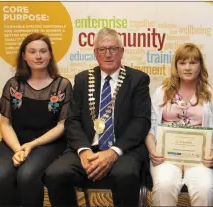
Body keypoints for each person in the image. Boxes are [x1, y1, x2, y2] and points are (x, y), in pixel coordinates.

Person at [44, 27, 151, 206]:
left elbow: (141, 121)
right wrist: (84, 151)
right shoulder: (83, 79)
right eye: (102, 49)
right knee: (55, 174)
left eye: (113, 49)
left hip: (123, 149)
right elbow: (72, 120)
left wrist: (113, 152)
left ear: (122, 52)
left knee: (125, 174)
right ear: (95, 53)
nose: (108, 54)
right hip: (88, 148)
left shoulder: (138, 79)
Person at [0, 33, 72, 207]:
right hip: (15, 141)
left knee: (27, 175)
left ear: (50, 55)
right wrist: (17, 148)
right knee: (0, 176)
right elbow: (5, 123)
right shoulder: (14, 85)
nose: (38, 56)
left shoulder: (62, 85)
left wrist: (32, 145)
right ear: (24, 56)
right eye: (32, 51)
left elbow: (63, 125)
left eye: (43, 51)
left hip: (49, 143)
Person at [146, 43, 213, 206]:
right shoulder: (162, 92)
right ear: (176, 66)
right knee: (164, 186)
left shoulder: (212, 93)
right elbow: (150, 127)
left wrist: (212, 152)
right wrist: (153, 151)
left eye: (193, 62)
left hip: (199, 156)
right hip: (165, 156)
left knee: (205, 188)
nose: (187, 67)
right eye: (182, 63)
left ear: (200, 65)